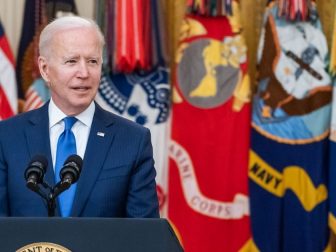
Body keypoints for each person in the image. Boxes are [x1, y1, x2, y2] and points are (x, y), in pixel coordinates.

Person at [0, 16, 159, 218]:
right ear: (45, 69)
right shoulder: (6, 137)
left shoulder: (133, 140)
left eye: (92, 61)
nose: (84, 72)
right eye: (71, 61)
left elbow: (144, 237)